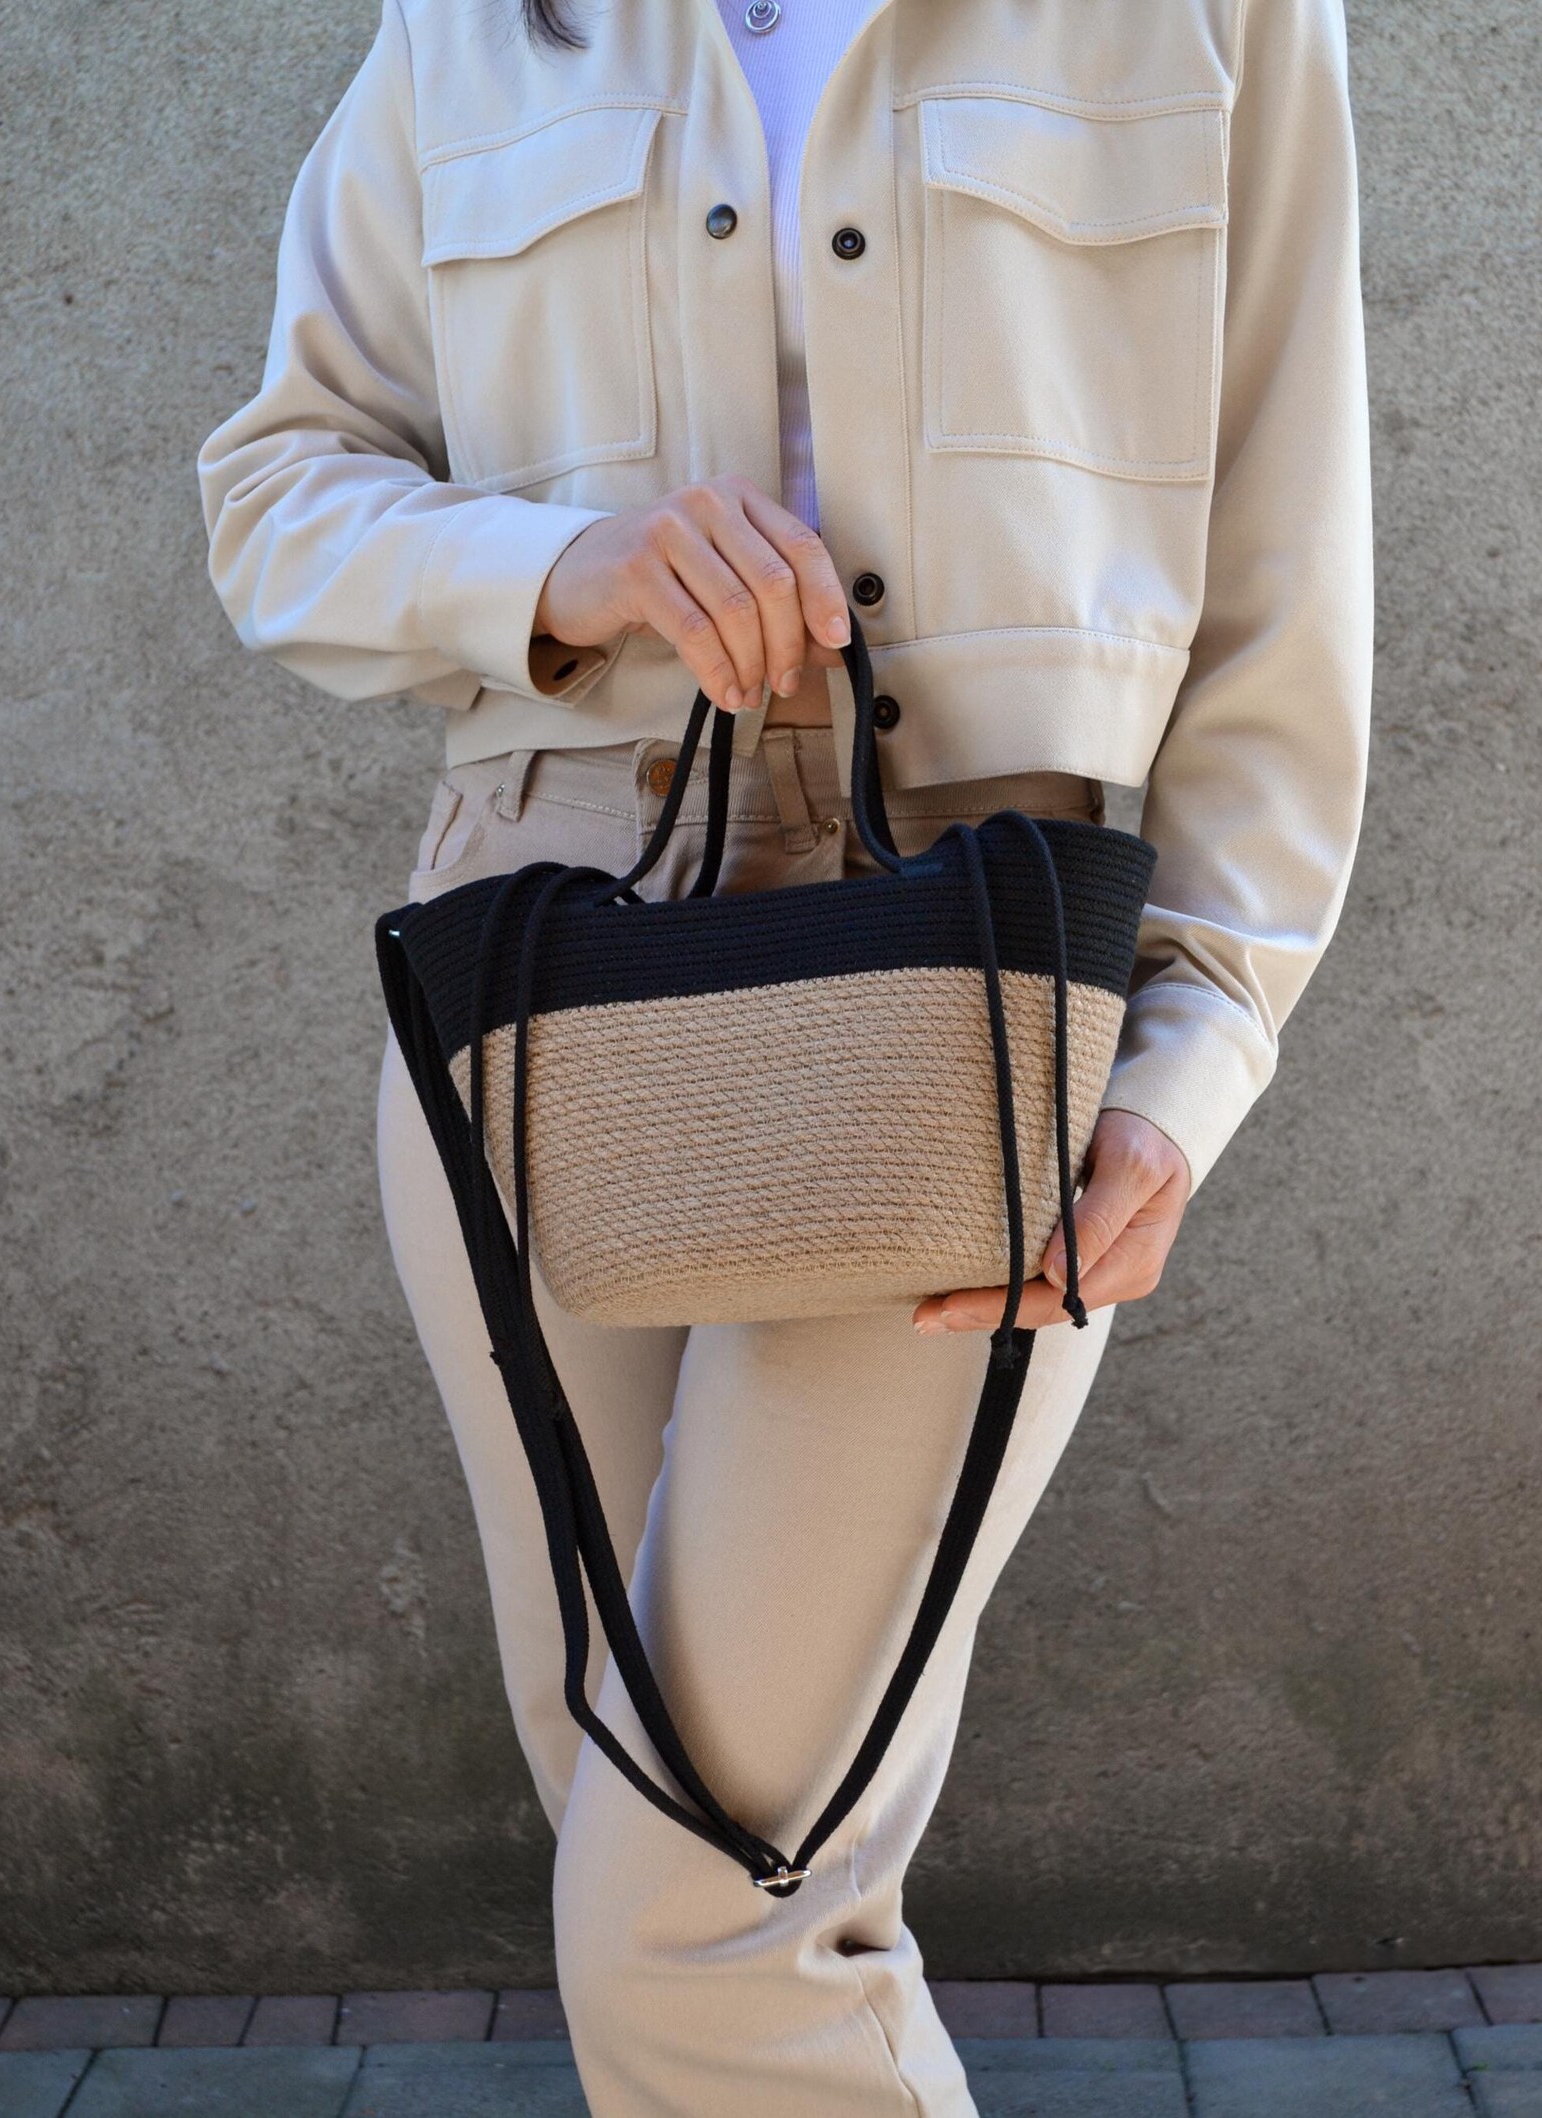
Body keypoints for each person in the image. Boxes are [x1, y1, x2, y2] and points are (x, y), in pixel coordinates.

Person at [196, 0, 1372, 2107]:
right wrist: (567, 562)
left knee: (700, 1902)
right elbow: (277, 491)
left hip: (959, 970)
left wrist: (1191, 1053)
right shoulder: (474, 25)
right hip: (541, 962)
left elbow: (1287, 573)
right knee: (635, 1815)